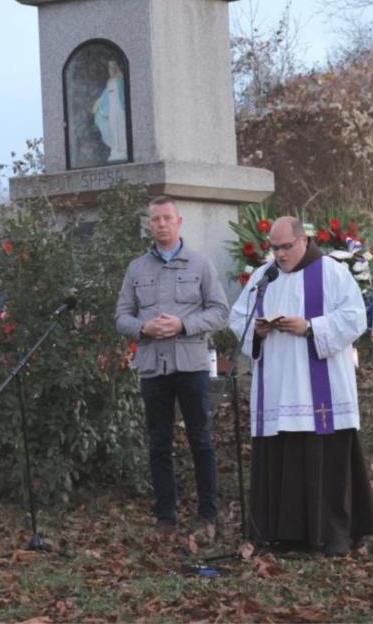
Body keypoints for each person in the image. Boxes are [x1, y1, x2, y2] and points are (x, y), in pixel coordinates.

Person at [229, 216, 373, 555]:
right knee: (281, 457)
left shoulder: (331, 271)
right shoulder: (264, 276)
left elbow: (356, 316)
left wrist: (311, 327)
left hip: (321, 389)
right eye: (274, 248)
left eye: (286, 247)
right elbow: (237, 317)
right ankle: (282, 533)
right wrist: (258, 328)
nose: (280, 255)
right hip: (278, 385)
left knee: (322, 457)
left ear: (303, 241)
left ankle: (332, 534)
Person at [116, 195, 228, 536]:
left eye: (167, 218)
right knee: (159, 442)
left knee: (201, 441)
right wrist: (142, 329)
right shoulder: (137, 269)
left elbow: (220, 312)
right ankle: (165, 516)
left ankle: (208, 515)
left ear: (179, 222)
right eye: (155, 219)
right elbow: (121, 316)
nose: (161, 224)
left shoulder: (200, 264)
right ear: (149, 225)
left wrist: (183, 325)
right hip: (153, 367)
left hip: (190, 365)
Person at [91, 58, 128, 162]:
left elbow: (123, 94)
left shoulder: (120, 80)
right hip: (112, 109)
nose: (111, 70)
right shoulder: (110, 81)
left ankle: (123, 149)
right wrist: (97, 104)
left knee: (121, 128)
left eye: (113, 67)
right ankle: (115, 149)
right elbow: (105, 95)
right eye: (109, 68)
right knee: (113, 128)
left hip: (120, 108)